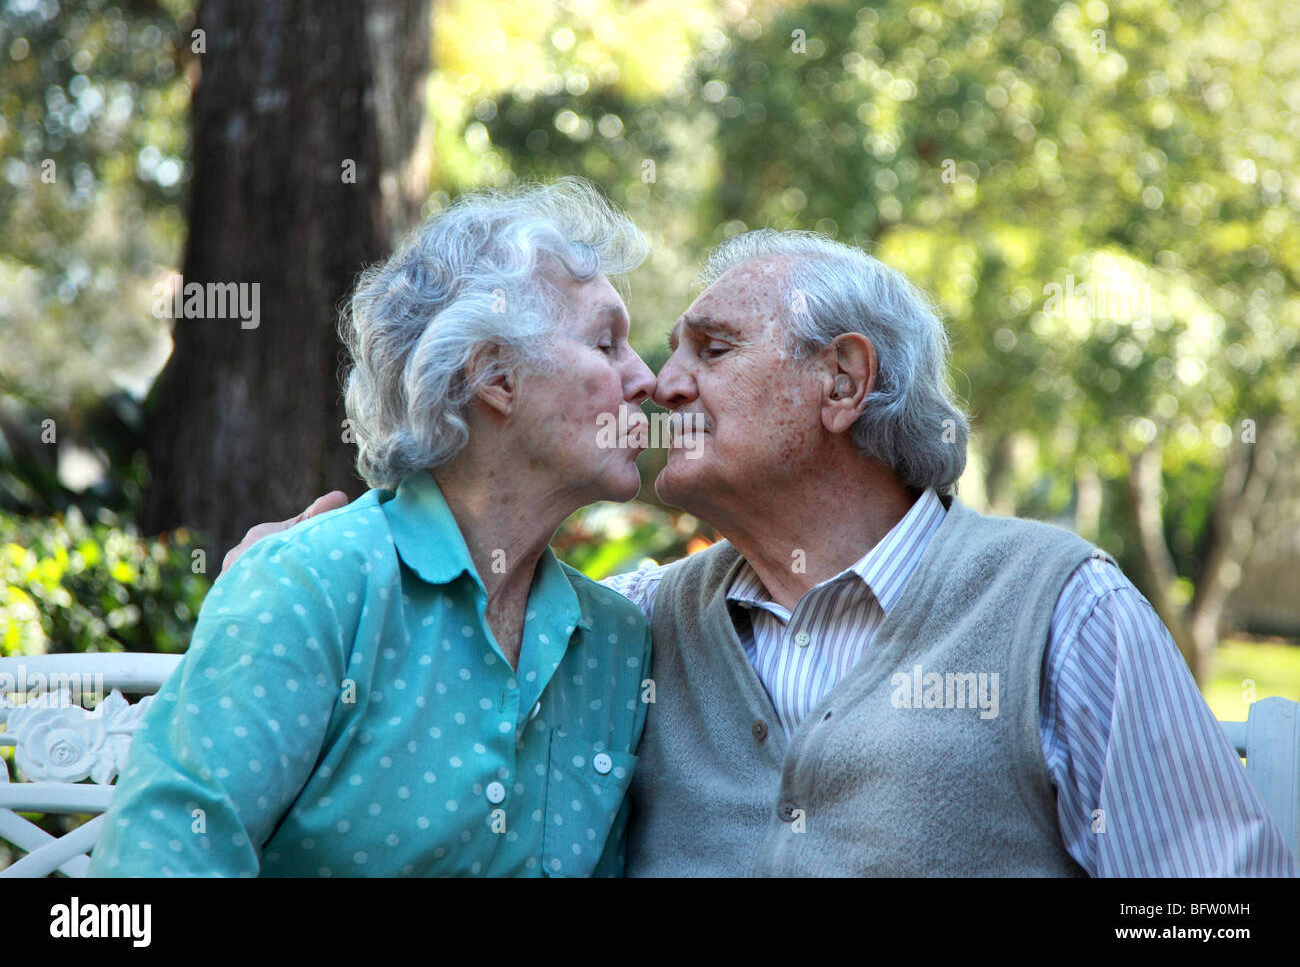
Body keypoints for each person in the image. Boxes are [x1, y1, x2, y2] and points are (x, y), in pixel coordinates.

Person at [225, 228, 1300, 877]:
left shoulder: (1060, 609)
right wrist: (311, 573)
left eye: (712, 346)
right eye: (663, 347)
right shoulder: (631, 625)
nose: (658, 382)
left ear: (841, 380)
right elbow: (453, 665)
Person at [88, 178, 657, 877]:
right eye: (607, 344)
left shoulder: (615, 643)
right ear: (496, 376)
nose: (648, 378)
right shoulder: (312, 585)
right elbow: (162, 861)